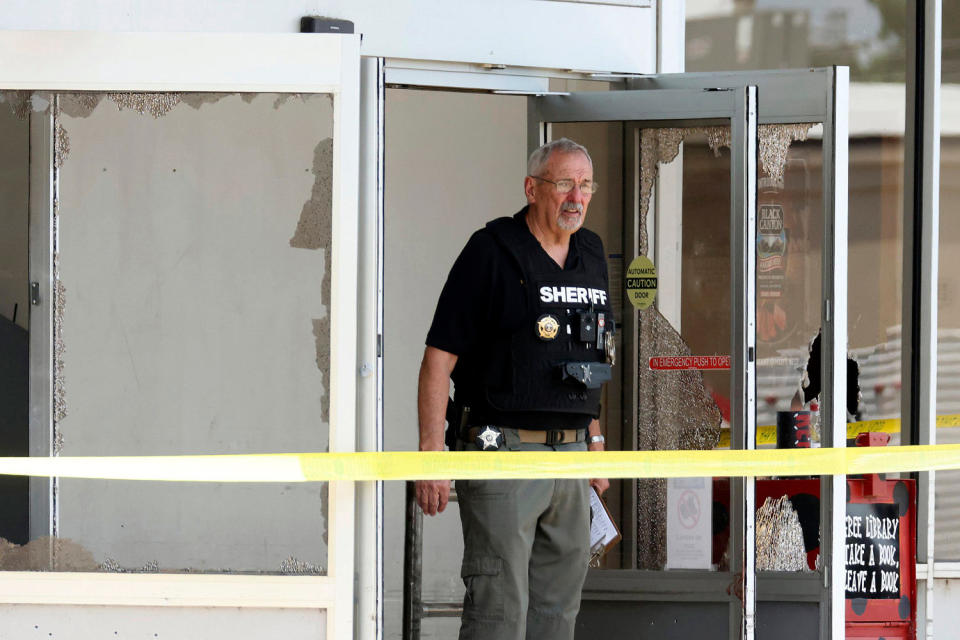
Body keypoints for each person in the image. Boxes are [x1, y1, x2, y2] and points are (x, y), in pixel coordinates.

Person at [415, 137, 613, 640]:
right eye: (564, 183)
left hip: (569, 461)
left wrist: (594, 442)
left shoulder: (591, 253)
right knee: (499, 609)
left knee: (557, 613)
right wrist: (431, 454)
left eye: (585, 185)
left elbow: (589, 357)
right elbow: (439, 358)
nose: (576, 197)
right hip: (500, 453)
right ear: (531, 188)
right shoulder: (492, 251)